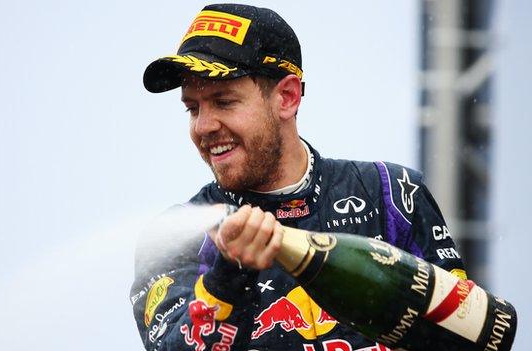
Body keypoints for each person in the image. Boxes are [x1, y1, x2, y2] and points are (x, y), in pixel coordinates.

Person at [130, 4, 466, 351]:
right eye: (193, 108)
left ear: (287, 98)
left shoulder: (392, 195)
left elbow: (470, 332)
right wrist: (229, 275)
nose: (203, 126)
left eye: (224, 102)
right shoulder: (173, 238)